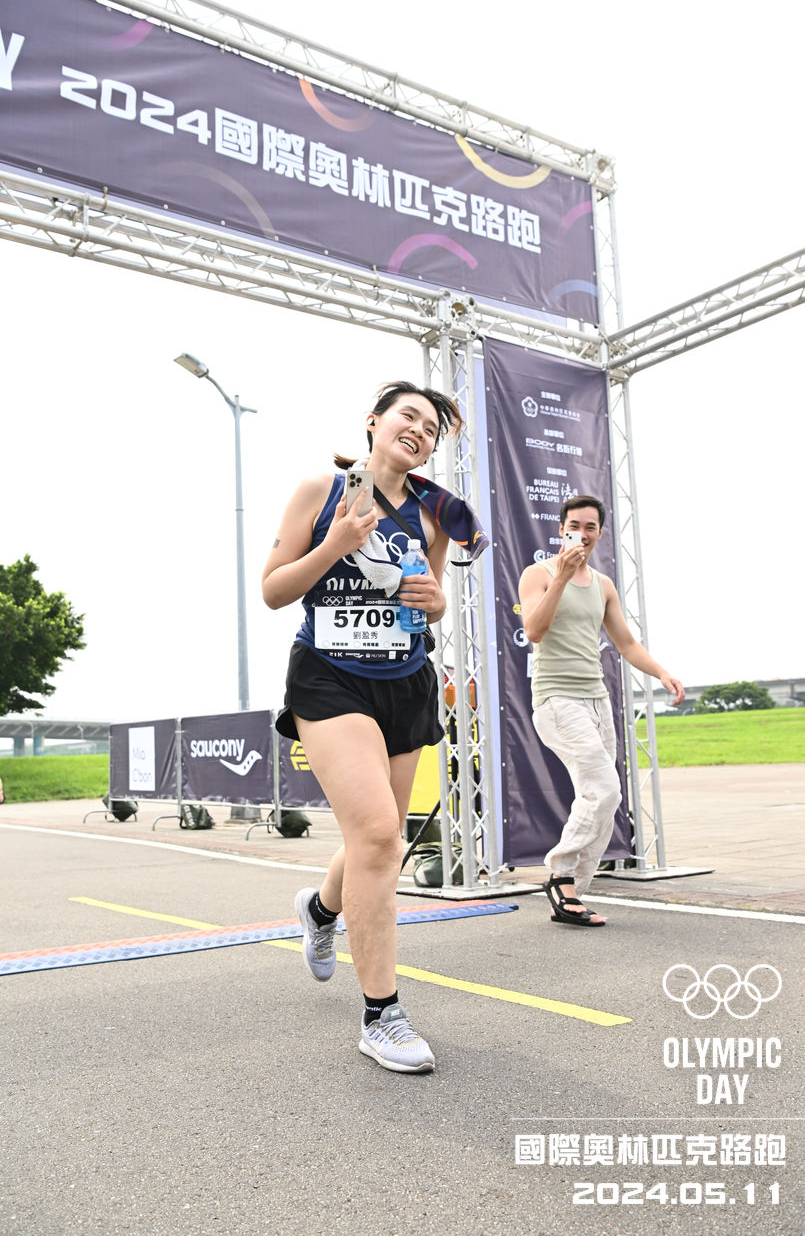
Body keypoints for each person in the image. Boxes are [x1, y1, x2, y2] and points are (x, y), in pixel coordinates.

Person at [262, 381, 484, 1073]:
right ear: (374, 424)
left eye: (430, 428)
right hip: (330, 677)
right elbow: (273, 590)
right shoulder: (321, 491)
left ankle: (320, 912)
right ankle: (381, 1015)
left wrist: (435, 601)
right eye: (407, 416)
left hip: (405, 682)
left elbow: (430, 603)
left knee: (376, 838)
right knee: (382, 836)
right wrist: (335, 544)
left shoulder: (433, 515)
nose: (418, 430)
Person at [517, 494, 684, 927]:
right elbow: (534, 630)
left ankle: (572, 888)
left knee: (604, 796)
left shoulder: (604, 585)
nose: (582, 533)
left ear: (600, 533)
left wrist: (662, 673)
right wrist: (561, 577)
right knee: (604, 789)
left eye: (590, 526)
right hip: (556, 699)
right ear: (560, 530)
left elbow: (625, 643)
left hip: (596, 699)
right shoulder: (538, 574)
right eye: (574, 526)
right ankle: (560, 875)